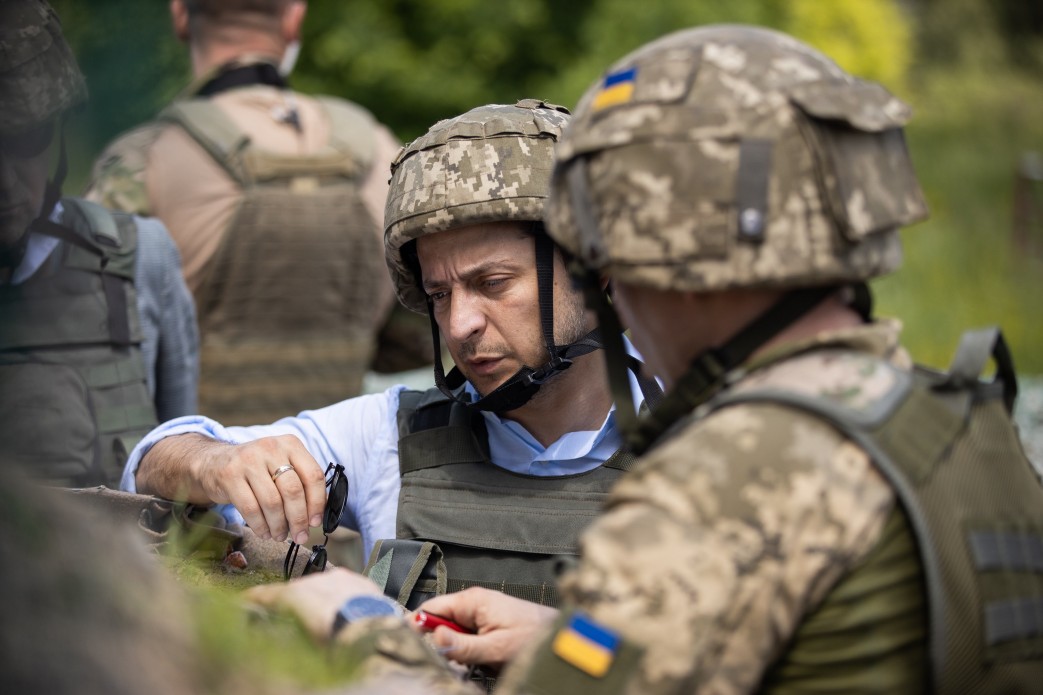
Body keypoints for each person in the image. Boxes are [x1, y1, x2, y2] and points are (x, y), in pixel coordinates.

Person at [249, 25, 1043, 694]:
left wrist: (361, 626)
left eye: (610, 249)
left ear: (674, 256)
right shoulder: (965, 416)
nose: (612, 287)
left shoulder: (728, 478)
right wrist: (577, 637)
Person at [124, 100, 661, 608]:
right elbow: (148, 464)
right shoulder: (388, 436)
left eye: (493, 283)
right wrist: (213, 462)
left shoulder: (708, 438)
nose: (460, 324)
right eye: (439, 295)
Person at [85, 0, 432, 426]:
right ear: (294, 19)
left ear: (179, 15)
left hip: (185, 479)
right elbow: (420, 328)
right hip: (336, 477)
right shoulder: (380, 150)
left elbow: (83, 340)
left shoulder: (145, 159)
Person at [0, 0, 198, 487]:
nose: (5, 181)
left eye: (26, 140)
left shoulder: (138, 257)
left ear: (60, 133)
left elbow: (181, 459)